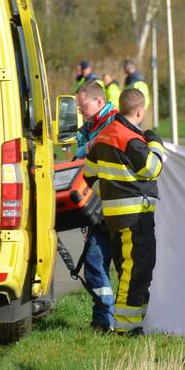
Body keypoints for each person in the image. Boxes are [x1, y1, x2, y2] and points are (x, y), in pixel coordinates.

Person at [83, 88, 166, 335]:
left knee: (127, 270)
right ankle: (126, 329)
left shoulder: (104, 136)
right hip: (135, 220)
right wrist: (156, 143)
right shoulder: (130, 139)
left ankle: (138, 322)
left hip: (114, 219)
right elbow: (152, 168)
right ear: (140, 111)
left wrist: (109, 195)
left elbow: (89, 174)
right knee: (135, 271)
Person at [74, 81, 118, 331]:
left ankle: (124, 321)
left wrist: (85, 148)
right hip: (97, 209)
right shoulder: (90, 126)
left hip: (116, 209)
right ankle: (104, 320)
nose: (81, 111)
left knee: (124, 269)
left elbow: (91, 152)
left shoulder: (114, 124)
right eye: (79, 108)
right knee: (94, 262)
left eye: (84, 106)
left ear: (99, 101)